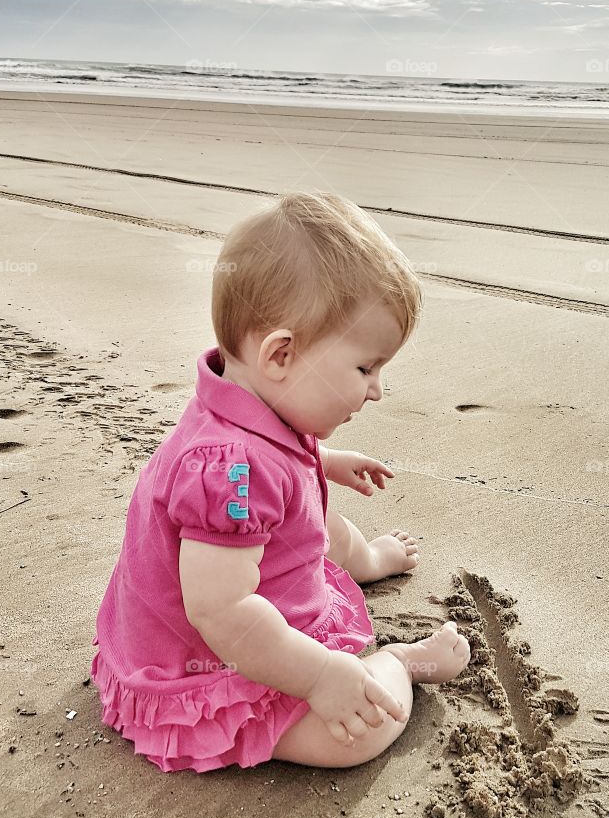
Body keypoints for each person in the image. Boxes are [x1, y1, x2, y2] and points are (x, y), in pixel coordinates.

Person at [90, 190, 470, 773]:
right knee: (358, 735)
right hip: (205, 660)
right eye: (365, 368)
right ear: (281, 356)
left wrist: (324, 459)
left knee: (319, 524)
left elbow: (275, 468)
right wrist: (319, 676)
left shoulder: (250, 404)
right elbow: (221, 611)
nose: (376, 390)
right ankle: (402, 662)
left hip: (255, 580)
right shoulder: (230, 469)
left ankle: (365, 560)